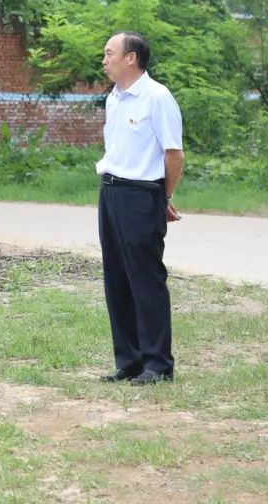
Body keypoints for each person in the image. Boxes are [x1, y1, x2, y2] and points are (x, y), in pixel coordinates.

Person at [96, 31, 184, 386]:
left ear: (130, 58)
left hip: (141, 194)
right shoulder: (114, 98)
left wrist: (163, 196)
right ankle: (129, 360)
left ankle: (158, 364)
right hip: (110, 191)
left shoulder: (157, 97)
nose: (104, 60)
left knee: (145, 279)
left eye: (109, 53)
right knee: (116, 279)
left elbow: (174, 155)